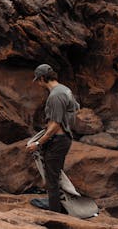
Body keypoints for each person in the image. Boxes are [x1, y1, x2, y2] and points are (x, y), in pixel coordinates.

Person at [26, 64, 79, 213]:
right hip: (65, 138)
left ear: (43, 78)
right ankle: (56, 202)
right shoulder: (65, 90)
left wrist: (38, 143)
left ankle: (55, 209)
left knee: (52, 177)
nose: (38, 83)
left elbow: (55, 125)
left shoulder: (55, 96)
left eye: (38, 80)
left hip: (58, 139)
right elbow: (75, 109)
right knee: (55, 173)